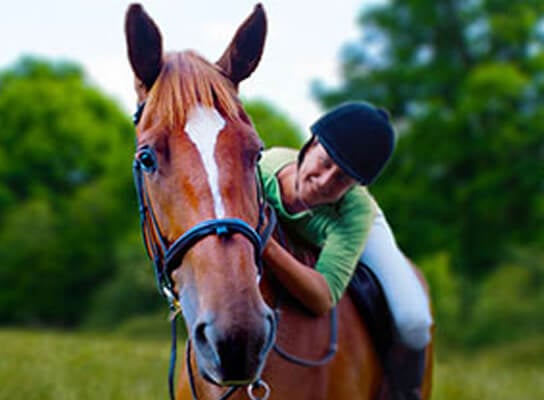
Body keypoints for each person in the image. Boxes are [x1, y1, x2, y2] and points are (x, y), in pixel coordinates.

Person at [259, 101, 433, 400]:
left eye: (342, 178)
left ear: (354, 186)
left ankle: (405, 394)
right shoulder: (262, 171)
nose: (324, 181)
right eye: (325, 163)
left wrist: (267, 246)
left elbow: (322, 298)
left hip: (354, 224)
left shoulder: (354, 213)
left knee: (413, 320)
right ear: (311, 144)